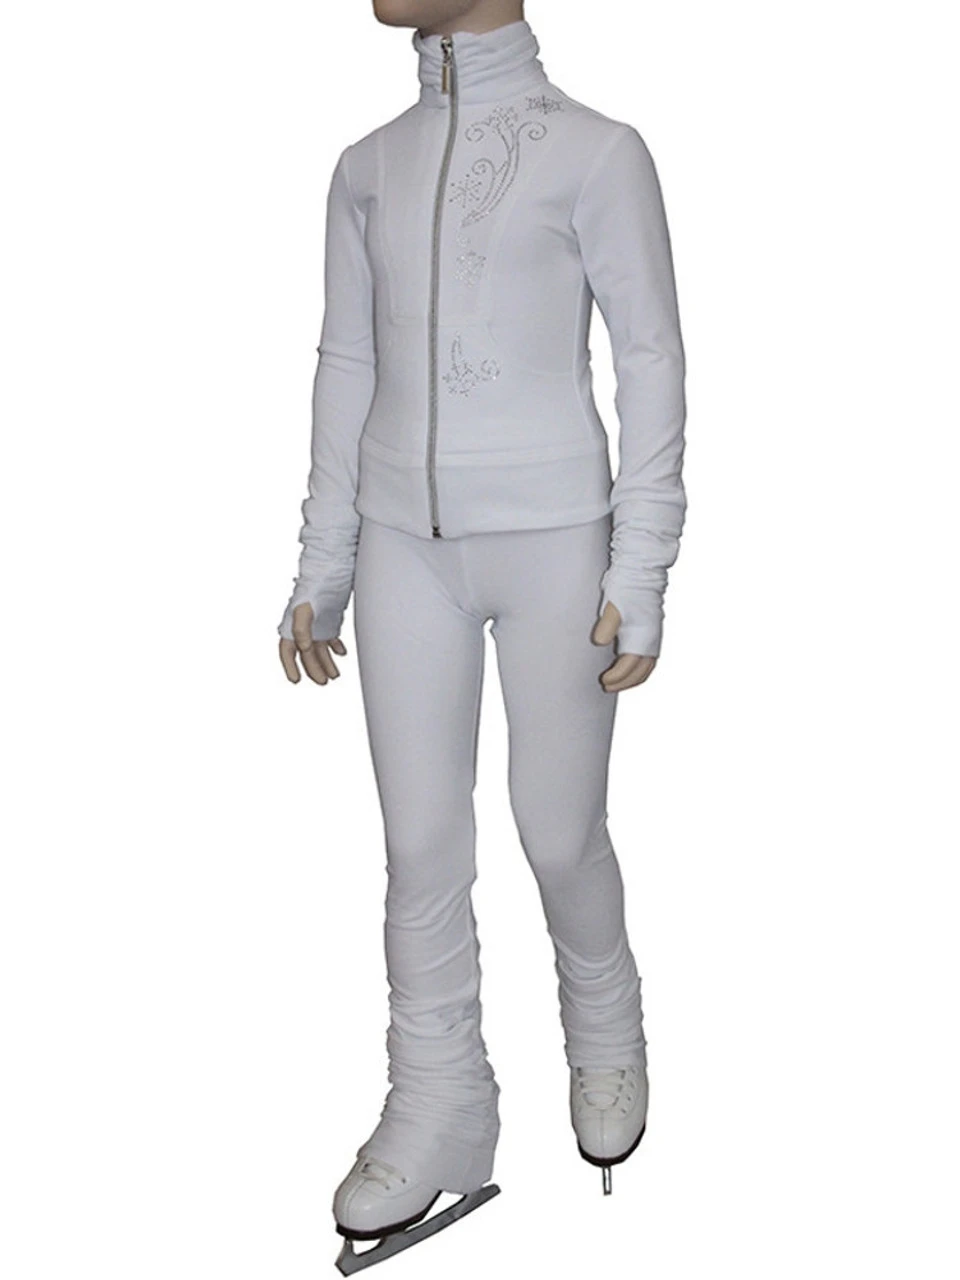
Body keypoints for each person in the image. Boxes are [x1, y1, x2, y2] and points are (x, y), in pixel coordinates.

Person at [276, 0, 687, 1267]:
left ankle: (606, 1029)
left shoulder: (598, 152)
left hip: (557, 536)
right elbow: (347, 362)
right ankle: (441, 1100)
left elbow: (652, 356)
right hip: (402, 539)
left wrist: (642, 560)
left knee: (557, 829)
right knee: (419, 844)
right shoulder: (366, 167)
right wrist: (323, 561)